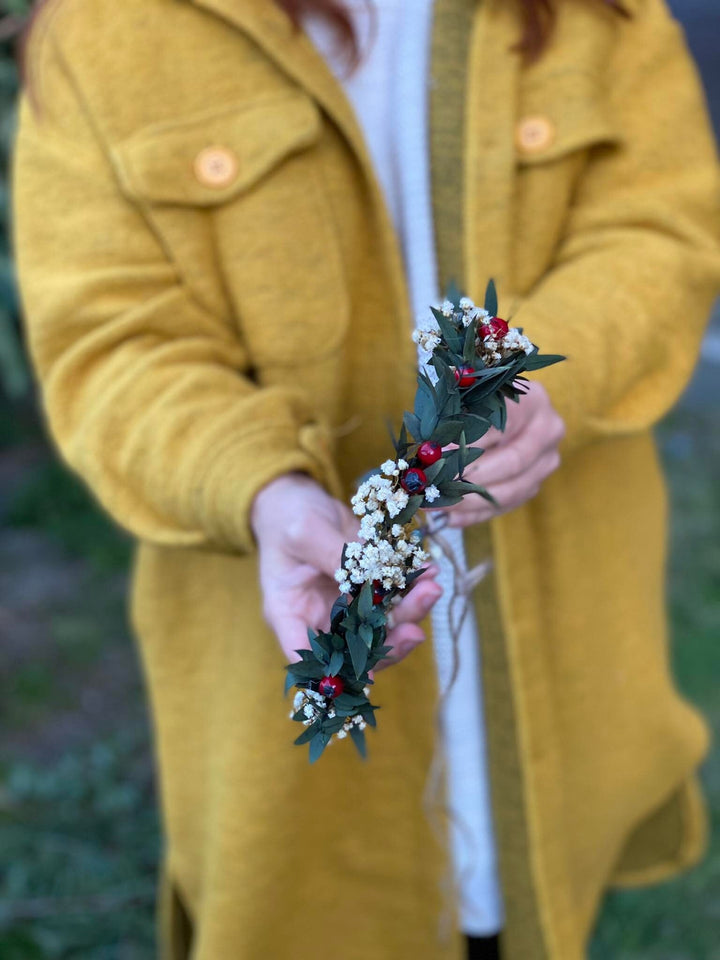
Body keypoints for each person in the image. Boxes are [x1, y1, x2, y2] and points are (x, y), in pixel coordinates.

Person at [11, 0, 720, 958]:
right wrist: (259, 488)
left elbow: (661, 228)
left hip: (568, 670)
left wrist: (558, 374)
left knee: (536, 904)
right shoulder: (114, 30)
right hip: (282, 739)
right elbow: (112, 346)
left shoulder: (601, 16)